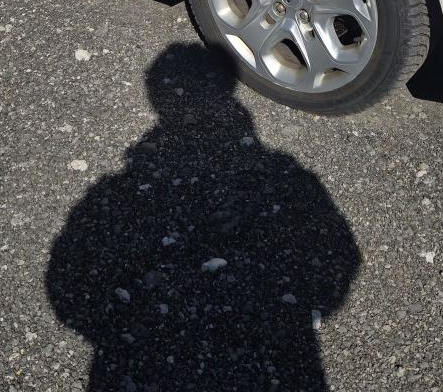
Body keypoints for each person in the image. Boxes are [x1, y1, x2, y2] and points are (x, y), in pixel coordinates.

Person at [46, 43, 361, 391]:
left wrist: (110, 328)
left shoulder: (117, 187)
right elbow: (342, 255)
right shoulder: (286, 171)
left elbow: (66, 279)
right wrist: (293, 313)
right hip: (282, 361)